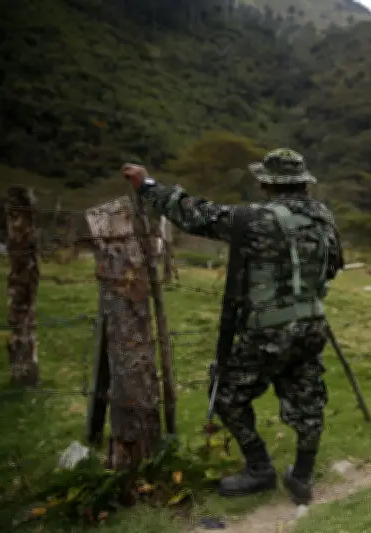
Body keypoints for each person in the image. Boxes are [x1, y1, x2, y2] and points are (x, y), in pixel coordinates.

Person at [123, 148, 344, 504]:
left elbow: (195, 214)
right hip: (312, 323)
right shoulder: (323, 216)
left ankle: (259, 468)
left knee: (226, 394)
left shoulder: (253, 219)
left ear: (266, 183)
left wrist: (148, 186)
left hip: (268, 328)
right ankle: (302, 476)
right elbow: (332, 266)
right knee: (308, 397)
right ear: (303, 182)